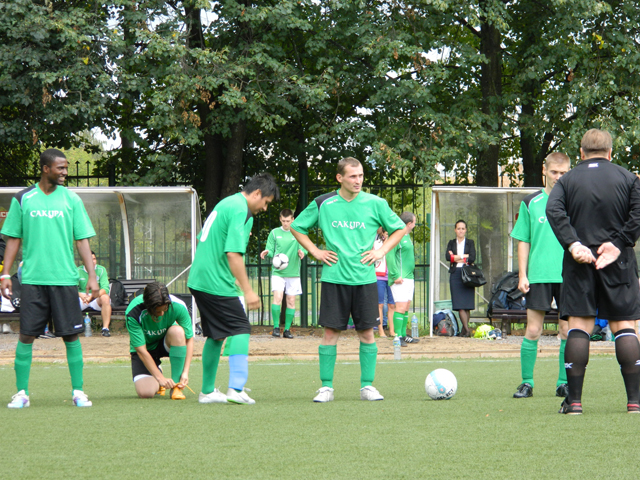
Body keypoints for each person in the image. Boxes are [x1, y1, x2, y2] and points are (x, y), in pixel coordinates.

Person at [291, 157, 406, 403]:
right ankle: (326, 387)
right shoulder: (323, 203)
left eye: (361, 175)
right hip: (334, 279)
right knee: (330, 333)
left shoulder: (376, 203)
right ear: (339, 178)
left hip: (365, 280)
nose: (358, 180)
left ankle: (367, 386)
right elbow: (297, 227)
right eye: (353, 176)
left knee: (367, 333)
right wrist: (316, 251)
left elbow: (399, 229)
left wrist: (381, 251)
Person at [547, 128, 640, 415]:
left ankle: (574, 403)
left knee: (579, 326)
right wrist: (619, 243)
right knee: (624, 326)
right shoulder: (628, 178)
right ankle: (635, 402)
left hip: (580, 263)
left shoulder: (567, 180)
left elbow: (553, 211)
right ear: (610, 152)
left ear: (581, 153)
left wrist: (573, 244)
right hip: (619, 262)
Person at [1, 148, 99, 409]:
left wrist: (91, 275)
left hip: (65, 280)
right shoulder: (23, 199)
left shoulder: (72, 199)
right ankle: (21, 393)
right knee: (26, 336)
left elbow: (82, 240)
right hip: (33, 280)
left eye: (66, 167)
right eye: (60, 168)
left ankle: (78, 392)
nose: (65, 172)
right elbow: (13, 238)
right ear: (46, 169)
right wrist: (5, 274)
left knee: (71, 336)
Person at [188, 173, 279, 405]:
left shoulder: (226, 203)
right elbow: (233, 253)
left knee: (216, 335)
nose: (265, 208)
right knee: (240, 327)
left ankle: (207, 392)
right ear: (257, 193)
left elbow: (205, 239)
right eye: (266, 202)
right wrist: (248, 290)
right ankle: (236, 389)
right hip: (215, 282)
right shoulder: (240, 209)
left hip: (200, 279)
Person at [510, 152, 571, 399]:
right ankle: (527, 382)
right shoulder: (530, 202)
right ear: (545, 171)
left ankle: (564, 383)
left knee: (567, 331)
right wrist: (522, 275)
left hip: (569, 276)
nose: (558, 177)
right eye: (554, 172)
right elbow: (523, 240)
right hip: (538, 276)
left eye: (563, 173)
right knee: (533, 330)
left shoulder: (575, 201)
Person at [126, 282, 193, 400]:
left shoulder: (178, 306)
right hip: (146, 349)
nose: (161, 314)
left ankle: (176, 387)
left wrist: (185, 372)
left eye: (165, 309)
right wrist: (160, 378)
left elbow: (189, 339)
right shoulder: (133, 311)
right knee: (146, 393)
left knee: (178, 332)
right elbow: (141, 350)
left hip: (165, 342)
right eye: (157, 311)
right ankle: (157, 371)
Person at [259, 208, 306, 339]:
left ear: (293, 220)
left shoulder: (298, 232)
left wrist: (302, 252)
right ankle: (275, 328)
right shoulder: (274, 233)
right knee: (278, 297)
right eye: (283, 221)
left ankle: (287, 330)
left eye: (288, 221)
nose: (286, 223)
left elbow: (304, 247)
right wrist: (267, 252)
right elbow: (269, 248)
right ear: (280, 219)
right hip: (278, 272)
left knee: (291, 300)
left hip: (293, 272)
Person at [387, 211, 418, 345]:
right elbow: (389, 255)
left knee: (406, 307)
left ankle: (404, 335)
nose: (415, 225)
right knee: (399, 307)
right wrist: (395, 275)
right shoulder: (396, 236)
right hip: (400, 278)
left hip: (409, 277)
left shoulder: (407, 236)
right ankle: (397, 336)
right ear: (409, 223)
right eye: (414, 222)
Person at [445, 220, 476, 337]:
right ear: (455, 230)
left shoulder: (470, 243)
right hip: (455, 275)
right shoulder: (451, 243)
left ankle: (464, 330)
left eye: (463, 228)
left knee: (467, 305)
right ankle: (467, 330)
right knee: (459, 305)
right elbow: (448, 257)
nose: (461, 231)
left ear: (466, 230)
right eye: (458, 228)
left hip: (467, 275)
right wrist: (464, 256)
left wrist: (456, 257)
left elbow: (472, 258)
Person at [78, 250, 112, 337]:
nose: (93, 261)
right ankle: (72, 328)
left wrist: (92, 297)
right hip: (82, 297)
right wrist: (81, 295)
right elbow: (72, 287)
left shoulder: (101, 270)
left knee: (106, 298)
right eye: (90, 259)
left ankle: (105, 329)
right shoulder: (78, 270)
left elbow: (105, 289)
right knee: (68, 298)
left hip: (96, 298)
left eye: (94, 259)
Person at [374, 227, 395, 337]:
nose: (387, 236)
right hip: (379, 276)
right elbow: (377, 255)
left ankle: (392, 330)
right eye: (385, 233)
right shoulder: (376, 243)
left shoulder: (394, 243)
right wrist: (384, 245)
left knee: (392, 304)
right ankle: (380, 330)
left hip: (391, 276)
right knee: (380, 304)